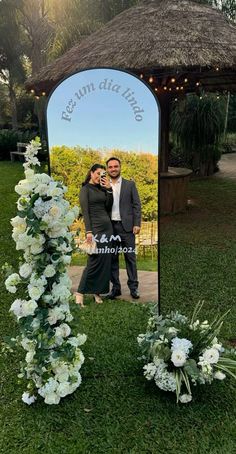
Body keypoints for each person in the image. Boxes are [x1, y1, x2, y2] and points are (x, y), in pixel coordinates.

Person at [75, 164, 113, 307]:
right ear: (91, 173)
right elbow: (85, 212)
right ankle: (79, 293)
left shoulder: (103, 189)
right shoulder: (85, 189)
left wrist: (109, 189)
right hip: (95, 230)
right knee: (93, 262)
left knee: (105, 263)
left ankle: (97, 292)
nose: (99, 176)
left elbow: (109, 206)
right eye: (97, 173)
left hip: (107, 229)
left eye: (102, 174)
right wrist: (89, 232)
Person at [105, 157, 141, 299]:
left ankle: (134, 288)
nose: (113, 169)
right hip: (110, 228)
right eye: (110, 167)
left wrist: (137, 223)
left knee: (130, 258)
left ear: (120, 167)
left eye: (116, 166)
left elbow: (136, 205)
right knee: (112, 259)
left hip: (127, 228)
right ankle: (116, 288)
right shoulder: (103, 186)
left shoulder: (130, 185)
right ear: (107, 169)